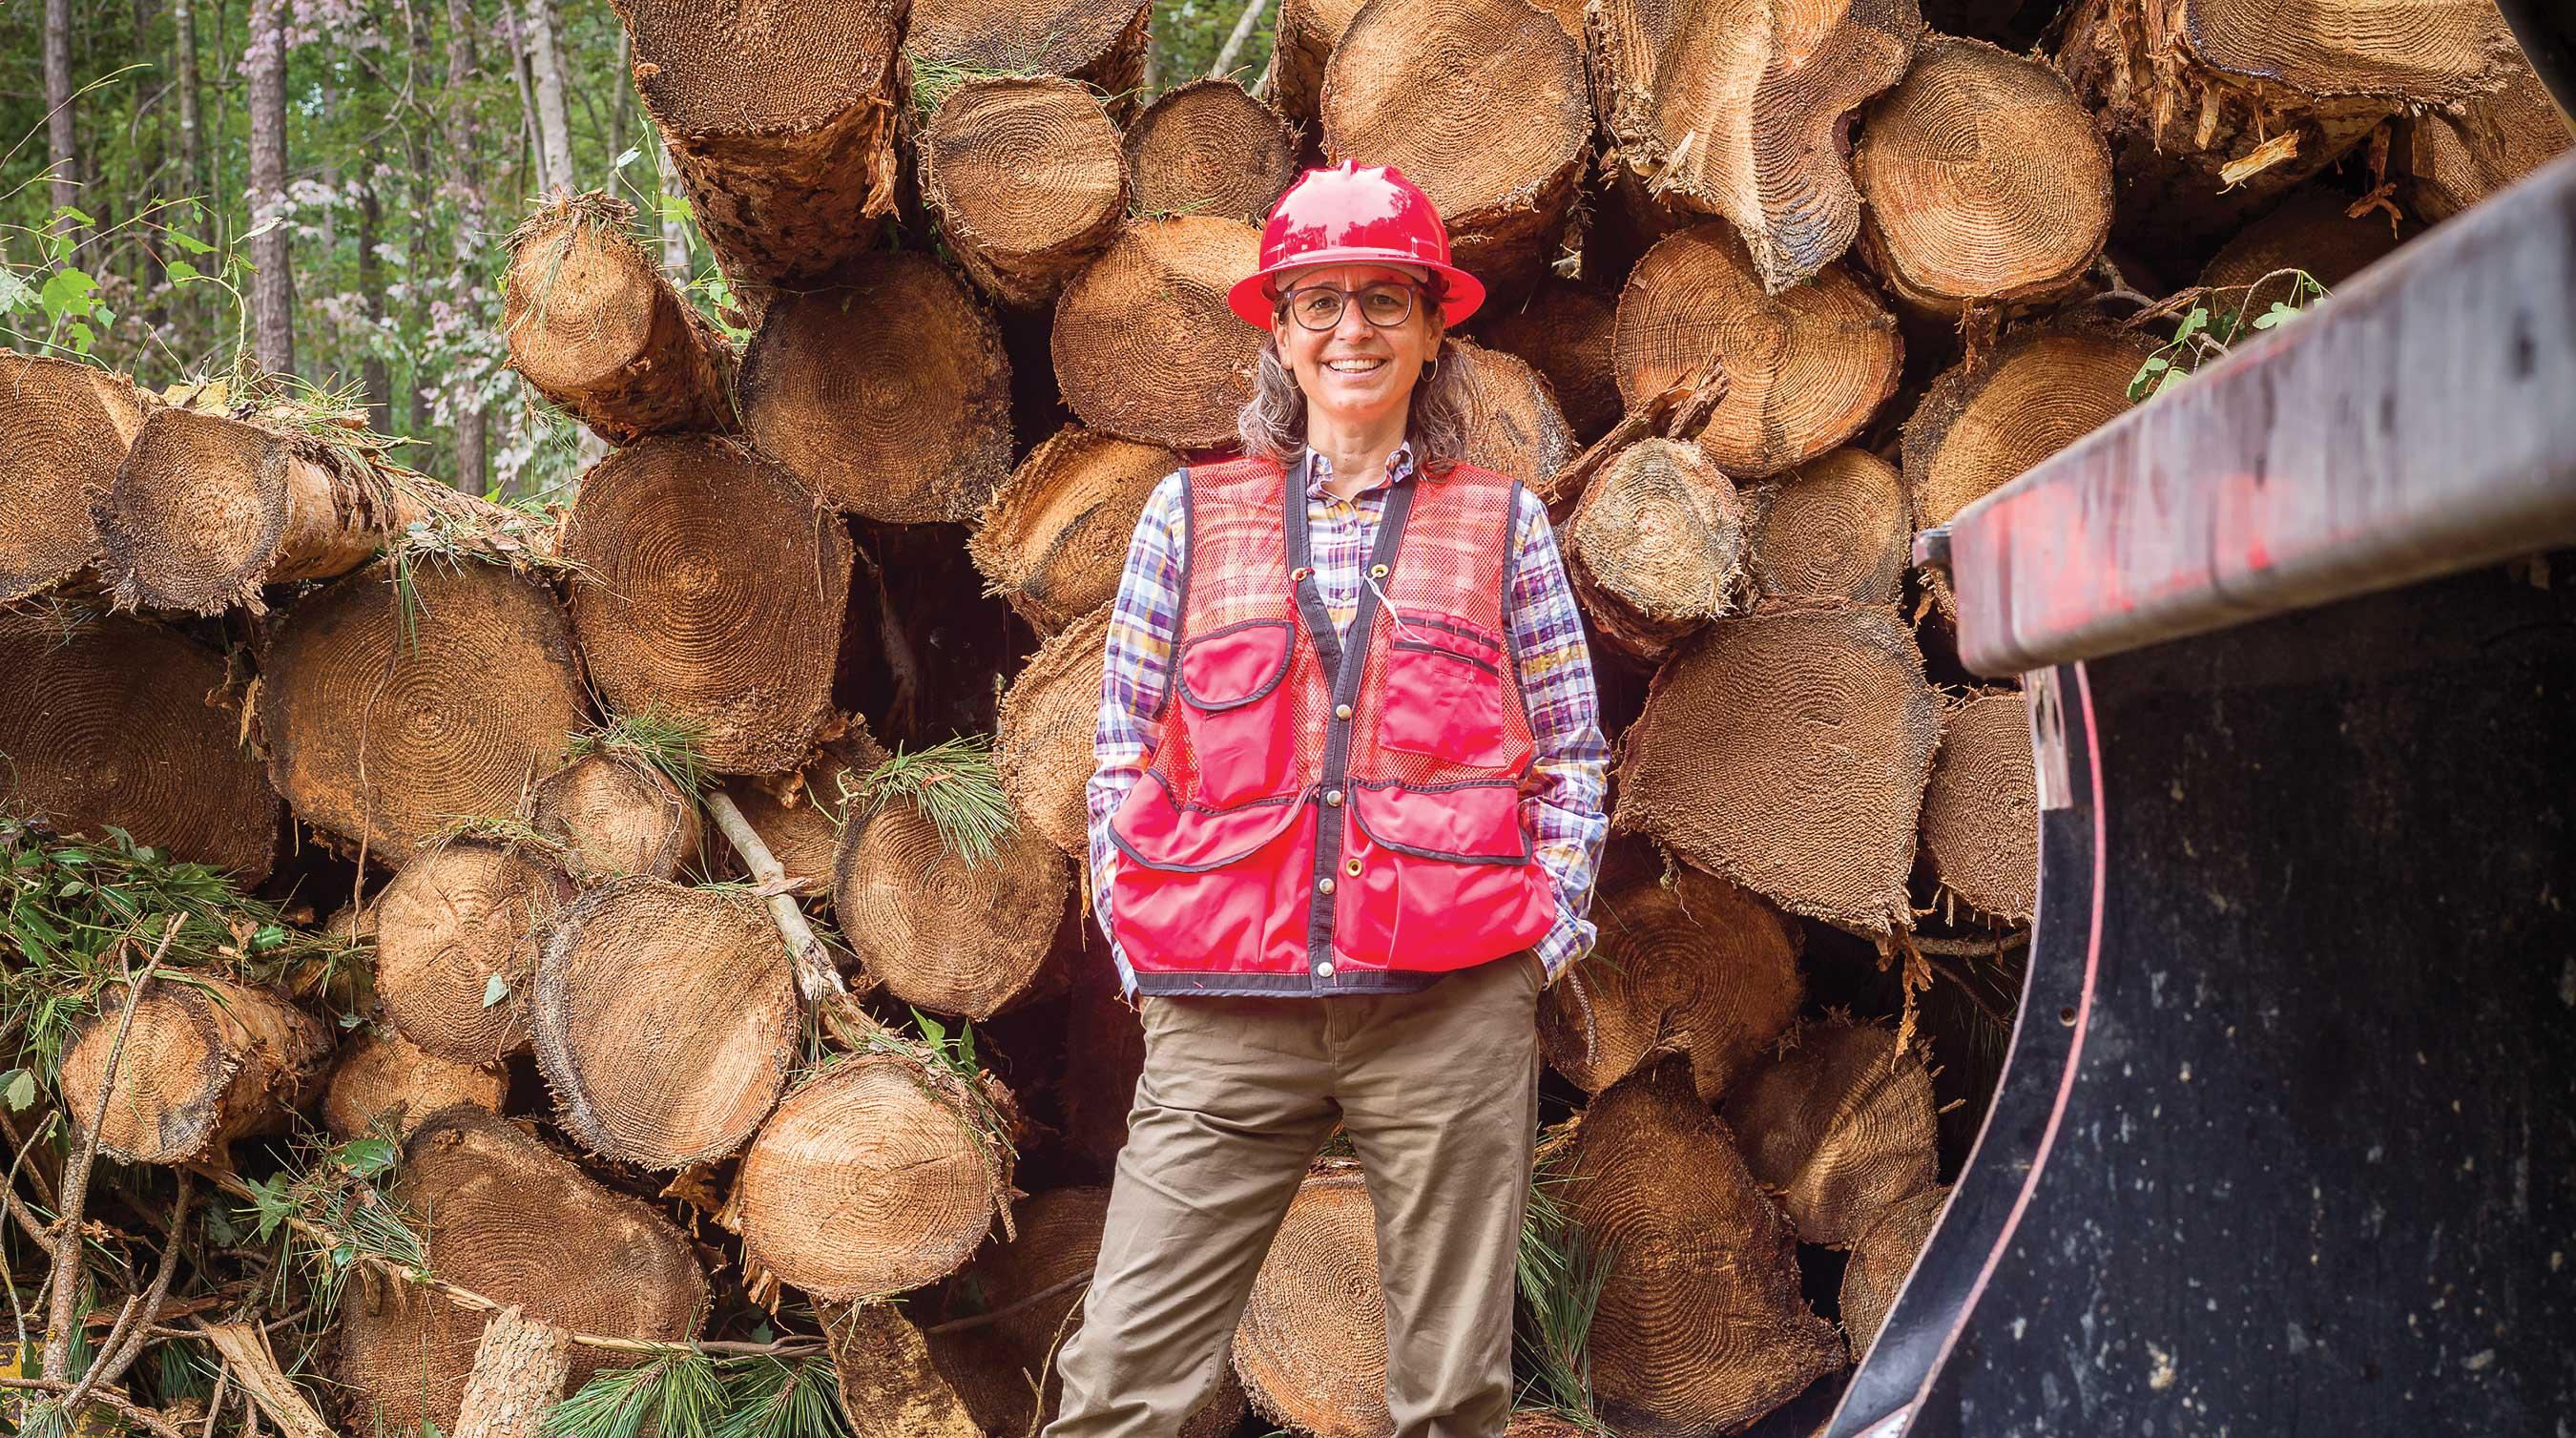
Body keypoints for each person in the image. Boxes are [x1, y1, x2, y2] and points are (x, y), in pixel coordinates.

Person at [1046, 161, 1610, 1438]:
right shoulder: (1186, 517)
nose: (1350, 330)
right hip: (1223, 1007)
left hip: (1447, 1005)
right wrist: (1139, 944)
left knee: (1450, 1398)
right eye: (1318, 304)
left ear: (1431, 327)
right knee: (1120, 1384)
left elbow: (1572, 751)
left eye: (1382, 302)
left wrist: (1541, 939)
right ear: (1279, 332)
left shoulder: (1502, 524)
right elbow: (1125, 748)